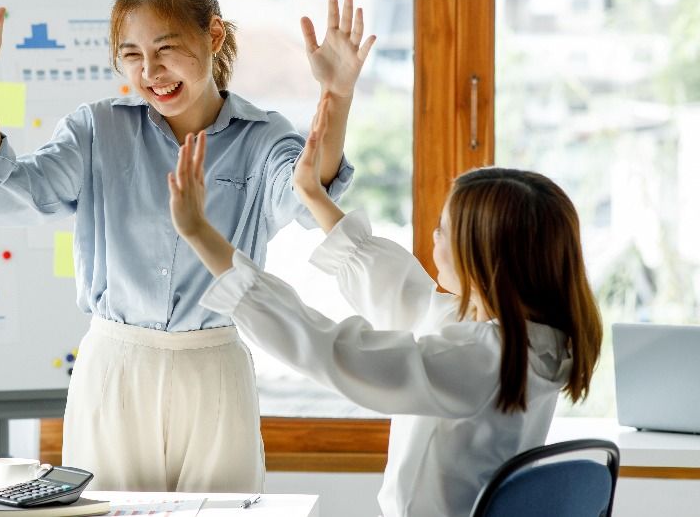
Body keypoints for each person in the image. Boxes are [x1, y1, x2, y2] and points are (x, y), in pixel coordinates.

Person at [0, 0, 375, 491]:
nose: (151, 72)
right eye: (132, 55)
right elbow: (5, 194)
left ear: (214, 35)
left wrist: (337, 95)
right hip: (115, 368)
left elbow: (310, 195)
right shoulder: (97, 129)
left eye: (166, 48)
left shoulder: (262, 137)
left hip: (214, 365)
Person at [166, 96, 605, 517]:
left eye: (443, 229)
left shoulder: (482, 358)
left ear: (486, 259)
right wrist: (314, 196)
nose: (434, 237)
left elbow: (334, 351)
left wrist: (200, 233)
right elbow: (405, 295)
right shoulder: (535, 342)